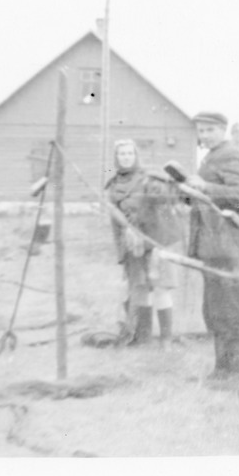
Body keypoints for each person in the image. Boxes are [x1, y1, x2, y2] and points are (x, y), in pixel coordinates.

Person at [184, 112, 239, 385]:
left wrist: (205, 186)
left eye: (210, 130)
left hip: (230, 247)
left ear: (223, 130)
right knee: (215, 311)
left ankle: (238, 373)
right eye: (201, 131)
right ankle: (222, 371)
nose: (204, 136)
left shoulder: (231, 155)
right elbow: (210, 198)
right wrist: (189, 192)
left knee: (232, 312)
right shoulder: (212, 157)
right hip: (213, 247)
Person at [105, 139, 182, 346]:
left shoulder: (150, 178)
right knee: (140, 289)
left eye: (130, 153)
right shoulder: (113, 186)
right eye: (122, 154)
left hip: (157, 240)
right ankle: (144, 339)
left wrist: (165, 192)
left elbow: (168, 198)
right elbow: (115, 218)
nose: (126, 157)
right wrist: (124, 244)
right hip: (133, 244)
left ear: (136, 155)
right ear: (116, 158)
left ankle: (166, 340)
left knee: (161, 288)